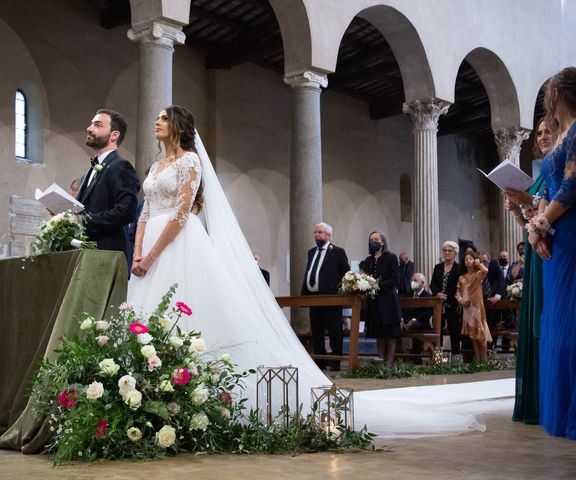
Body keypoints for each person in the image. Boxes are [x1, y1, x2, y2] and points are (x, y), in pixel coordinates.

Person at [126, 105, 484, 436]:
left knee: (190, 311)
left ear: (178, 126)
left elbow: (181, 213)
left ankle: (193, 390)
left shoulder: (190, 161)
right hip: (148, 251)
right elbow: (145, 212)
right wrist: (138, 254)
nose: (156, 122)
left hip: (177, 244)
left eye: (162, 117)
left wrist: (153, 253)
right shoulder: (156, 167)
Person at [531, 67, 576, 440]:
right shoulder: (561, 136)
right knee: (556, 320)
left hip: (571, 232)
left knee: (571, 321)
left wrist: (542, 222)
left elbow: (573, 185)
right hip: (556, 235)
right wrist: (536, 228)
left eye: (551, 94)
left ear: (560, 93)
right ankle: (561, 406)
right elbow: (550, 185)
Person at [505, 118, 553, 425]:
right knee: (535, 322)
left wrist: (530, 202)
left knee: (549, 321)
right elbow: (529, 226)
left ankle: (551, 397)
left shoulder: (557, 171)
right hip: (535, 256)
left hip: (552, 256)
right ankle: (537, 398)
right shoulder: (537, 179)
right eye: (539, 133)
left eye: (549, 130)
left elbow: (553, 212)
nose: (544, 136)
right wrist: (515, 210)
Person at [76, 109, 140, 267]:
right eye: (91, 124)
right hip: (86, 255)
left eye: (97, 125)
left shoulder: (121, 167)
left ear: (114, 135)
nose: (89, 128)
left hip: (107, 255)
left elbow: (127, 211)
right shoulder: (88, 173)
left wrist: (84, 220)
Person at [301, 223, 350, 371]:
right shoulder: (311, 252)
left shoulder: (337, 252)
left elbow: (346, 274)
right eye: (315, 232)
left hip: (330, 298)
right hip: (314, 298)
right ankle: (319, 362)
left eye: (320, 232)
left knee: (335, 331)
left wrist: (336, 290)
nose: (317, 235)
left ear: (328, 235)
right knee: (317, 331)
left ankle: (335, 362)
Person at [360, 231, 401, 366]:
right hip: (374, 301)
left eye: (376, 239)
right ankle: (381, 362)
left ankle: (389, 364)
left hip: (388, 300)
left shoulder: (391, 258)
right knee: (379, 333)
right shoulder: (368, 260)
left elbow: (395, 280)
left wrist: (377, 284)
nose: (373, 241)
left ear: (382, 242)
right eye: (371, 239)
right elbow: (365, 276)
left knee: (390, 334)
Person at [455, 250, 492, 361]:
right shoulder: (462, 277)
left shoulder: (478, 274)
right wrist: (460, 299)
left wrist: (478, 263)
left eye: (470, 259)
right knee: (472, 334)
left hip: (477, 306)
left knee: (482, 334)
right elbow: (457, 292)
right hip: (467, 307)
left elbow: (486, 270)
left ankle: (484, 360)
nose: (467, 261)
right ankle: (477, 358)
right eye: (466, 259)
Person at [430, 241, 461, 355]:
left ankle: (456, 356)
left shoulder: (458, 268)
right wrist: (437, 293)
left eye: (450, 250)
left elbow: (457, 284)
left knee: (454, 330)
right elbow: (432, 283)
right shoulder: (438, 267)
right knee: (438, 330)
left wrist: (446, 295)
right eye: (445, 250)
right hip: (439, 304)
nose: (447, 253)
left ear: (455, 253)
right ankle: (438, 357)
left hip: (452, 302)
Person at [401, 272, 433, 360]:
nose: (412, 283)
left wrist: (414, 320)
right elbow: (403, 310)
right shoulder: (408, 294)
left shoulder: (428, 296)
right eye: (411, 280)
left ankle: (416, 355)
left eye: (415, 280)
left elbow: (427, 313)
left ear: (422, 283)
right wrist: (403, 320)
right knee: (396, 325)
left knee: (415, 326)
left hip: (422, 321)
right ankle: (399, 353)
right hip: (407, 321)